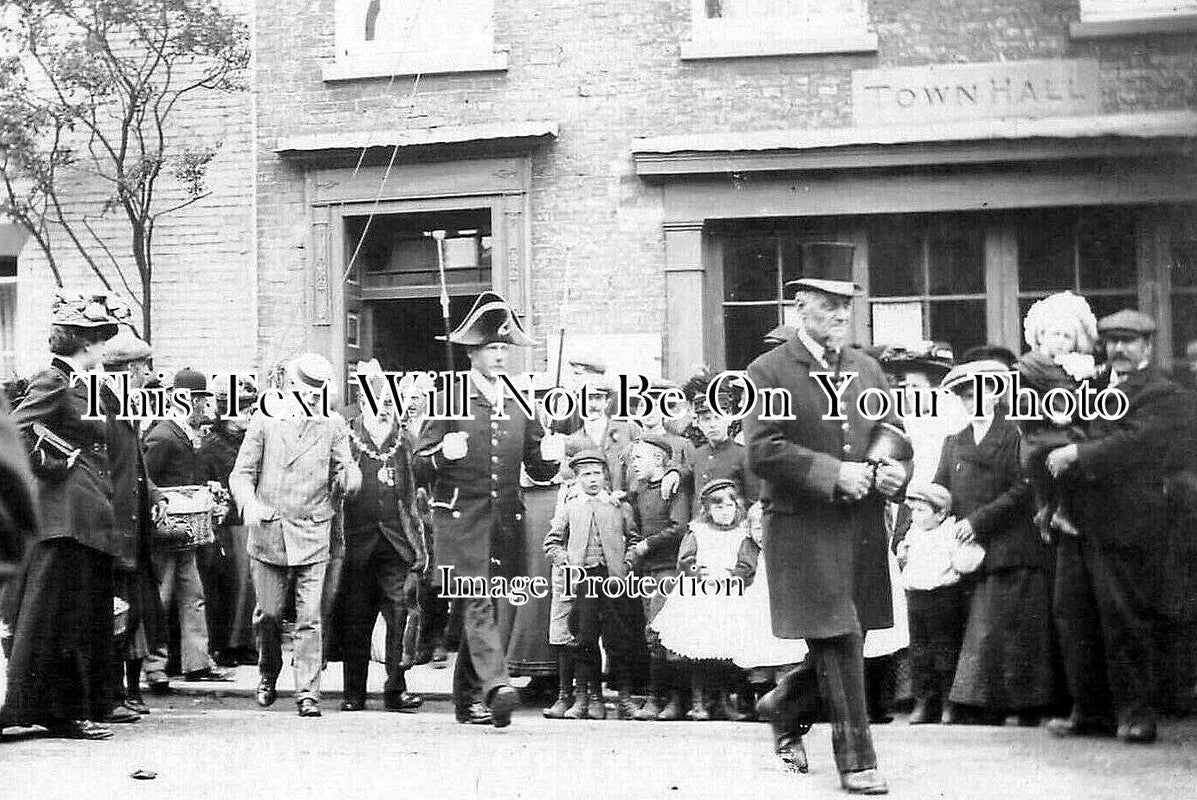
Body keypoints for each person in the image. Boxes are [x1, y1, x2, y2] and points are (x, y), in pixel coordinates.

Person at [743, 246, 909, 796]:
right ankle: (857, 761)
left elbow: (892, 432)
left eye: (847, 305)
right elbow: (763, 451)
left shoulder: (867, 367)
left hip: (859, 526)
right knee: (838, 636)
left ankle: (783, 703)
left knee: (850, 637)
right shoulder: (767, 369)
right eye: (830, 304)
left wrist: (891, 475)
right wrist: (833, 472)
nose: (841, 315)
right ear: (801, 308)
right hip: (802, 526)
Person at [1044, 309, 1193, 744]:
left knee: (1124, 618)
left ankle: (1136, 714)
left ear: (1148, 346)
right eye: (1112, 342)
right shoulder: (1088, 387)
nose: (1119, 350)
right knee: (1073, 616)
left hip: (1129, 523)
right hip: (1078, 520)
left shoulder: (1166, 394)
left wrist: (1077, 455)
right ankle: (1090, 712)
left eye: (1129, 341)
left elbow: (1137, 442)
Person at [413, 291, 561, 727]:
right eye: (490, 348)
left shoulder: (520, 400)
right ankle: (497, 686)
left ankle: (467, 702)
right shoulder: (449, 398)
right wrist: (442, 454)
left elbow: (534, 463)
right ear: (472, 352)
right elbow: (417, 466)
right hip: (460, 520)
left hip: (504, 520)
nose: (499, 356)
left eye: (503, 348)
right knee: (476, 603)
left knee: (485, 607)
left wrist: (550, 455)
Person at [1, 292, 134, 740]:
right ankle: (58, 712)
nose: (102, 348)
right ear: (83, 343)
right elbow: (15, 432)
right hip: (63, 516)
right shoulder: (54, 380)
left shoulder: (84, 384)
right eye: (98, 339)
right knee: (59, 616)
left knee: (75, 614)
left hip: (85, 516)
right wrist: (47, 461)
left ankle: (71, 707)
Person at [229, 352, 361, 718]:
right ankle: (268, 672)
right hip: (270, 528)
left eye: (318, 395)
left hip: (313, 529)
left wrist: (349, 480)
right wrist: (249, 503)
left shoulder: (332, 425)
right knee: (269, 615)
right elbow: (241, 473)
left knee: (309, 616)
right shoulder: (264, 420)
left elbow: (347, 468)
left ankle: (308, 693)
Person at [938, 358, 1061, 727]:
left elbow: (1025, 487)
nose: (971, 401)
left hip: (1014, 543)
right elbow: (941, 488)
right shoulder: (954, 441)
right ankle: (984, 703)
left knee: (1016, 627)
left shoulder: (1014, 434)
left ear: (995, 392)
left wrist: (978, 521)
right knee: (987, 625)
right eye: (964, 395)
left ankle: (1023, 704)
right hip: (972, 551)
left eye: (978, 392)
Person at [334, 360, 427, 713]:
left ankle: (395, 688)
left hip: (395, 543)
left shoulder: (403, 440)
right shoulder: (345, 435)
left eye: (390, 402)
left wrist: (418, 543)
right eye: (378, 401)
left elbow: (414, 487)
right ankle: (353, 693)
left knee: (400, 613)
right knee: (356, 618)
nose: (385, 409)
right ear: (363, 403)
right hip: (355, 543)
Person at [142, 368, 233, 692]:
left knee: (193, 596)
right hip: (166, 532)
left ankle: (196, 662)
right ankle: (153, 667)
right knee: (161, 598)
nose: (202, 408)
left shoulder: (183, 435)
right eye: (198, 401)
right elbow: (146, 480)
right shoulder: (163, 436)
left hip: (186, 532)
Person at [649, 479, 770, 720]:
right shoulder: (698, 531)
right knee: (697, 649)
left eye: (728, 507)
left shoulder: (742, 534)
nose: (724, 513)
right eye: (717, 508)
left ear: (737, 507)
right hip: (699, 595)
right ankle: (698, 702)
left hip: (728, 594)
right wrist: (695, 572)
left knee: (724, 650)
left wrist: (737, 575)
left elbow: (747, 563)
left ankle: (723, 700)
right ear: (707, 510)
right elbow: (685, 559)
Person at [543, 449, 644, 720]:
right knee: (584, 640)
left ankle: (624, 700)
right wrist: (565, 560)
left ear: (605, 475)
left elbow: (634, 539)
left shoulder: (618, 505)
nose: (592, 479)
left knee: (618, 640)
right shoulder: (570, 506)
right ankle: (587, 699)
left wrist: (629, 561)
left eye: (596, 473)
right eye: (585, 474)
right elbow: (551, 542)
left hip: (613, 581)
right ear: (576, 479)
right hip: (583, 581)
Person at [100, 330, 167, 720]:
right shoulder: (103, 405)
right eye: (144, 368)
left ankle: (127, 692)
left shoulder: (125, 407)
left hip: (136, 531)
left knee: (138, 612)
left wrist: (154, 495)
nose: (148, 375)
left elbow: (135, 464)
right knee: (117, 614)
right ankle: (111, 695)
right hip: (116, 530)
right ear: (128, 370)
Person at [896, 483, 984, 725]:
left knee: (944, 650)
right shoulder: (913, 532)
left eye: (922, 511)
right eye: (914, 511)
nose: (915, 516)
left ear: (941, 513)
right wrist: (902, 553)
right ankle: (924, 701)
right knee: (919, 651)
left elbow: (970, 558)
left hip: (942, 597)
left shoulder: (950, 531)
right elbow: (903, 557)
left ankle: (948, 702)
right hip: (916, 597)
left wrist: (961, 560)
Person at [1014, 292, 1099, 540]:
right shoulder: (1030, 365)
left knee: (1079, 455)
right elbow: (1021, 400)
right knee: (1047, 459)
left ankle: (1059, 510)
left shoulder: (1077, 367)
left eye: (1067, 336)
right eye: (1055, 334)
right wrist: (1047, 411)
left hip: (1069, 431)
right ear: (1041, 336)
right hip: (1038, 432)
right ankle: (1045, 510)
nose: (1061, 341)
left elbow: (1088, 401)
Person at [623, 434, 689, 721]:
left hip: (668, 568)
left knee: (667, 634)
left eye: (639, 458)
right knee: (652, 633)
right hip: (647, 570)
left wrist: (646, 545)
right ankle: (656, 697)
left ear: (659, 459)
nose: (634, 464)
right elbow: (636, 523)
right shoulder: (639, 489)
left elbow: (678, 527)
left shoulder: (673, 488)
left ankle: (673, 700)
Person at [199, 379, 260, 666]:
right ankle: (226, 644)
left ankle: (245, 642)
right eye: (243, 409)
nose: (248, 414)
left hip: (249, 518)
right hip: (227, 522)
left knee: (249, 585)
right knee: (231, 584)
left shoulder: (251, 441)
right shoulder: (212, 445)